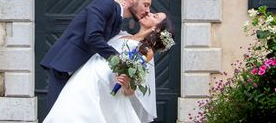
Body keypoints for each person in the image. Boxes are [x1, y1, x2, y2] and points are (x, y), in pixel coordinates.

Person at [40, 0, 155, 113]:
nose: (148, 11)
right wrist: (120, 61)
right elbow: (92, 36)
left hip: (81, 73)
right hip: (66, 66)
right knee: (57, 114)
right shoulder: (106, 3)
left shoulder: (117, 19)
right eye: (146, 5)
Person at [43, 11, 176, 123]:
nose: (149, 13)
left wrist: (126, 84)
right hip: (84, 79)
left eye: (155, 16)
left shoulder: (146, 51)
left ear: (157, 29)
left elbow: (131, 91)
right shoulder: (120, 33)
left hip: (103, 89)